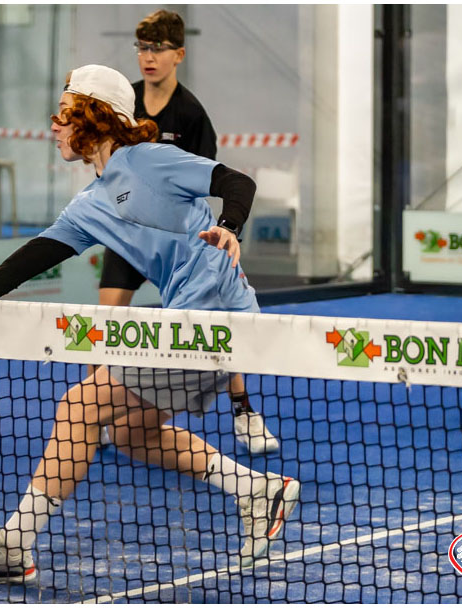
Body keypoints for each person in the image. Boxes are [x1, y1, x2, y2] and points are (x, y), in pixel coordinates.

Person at [0, 64, 301, 583]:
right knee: (131, 434)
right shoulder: (89, 205)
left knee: (80, 405)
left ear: (94, 116)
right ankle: (258, 490)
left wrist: (228, 226)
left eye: (65, 113)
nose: (54, 123)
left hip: (213, 314)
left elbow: (237, 182)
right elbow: (19, 268)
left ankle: (14, 544)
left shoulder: (148, 159)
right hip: (187, 320)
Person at [95, 9, 280, 455]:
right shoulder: (125, 105)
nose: (148, 57)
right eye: (142, 48)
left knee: (215, 323)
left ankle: (243, 411)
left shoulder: (192, 115)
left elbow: (207, 183)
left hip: (181, 246)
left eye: (158, 49)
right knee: (106, 321)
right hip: (129, 237)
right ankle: (96, 413)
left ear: (178, 54)